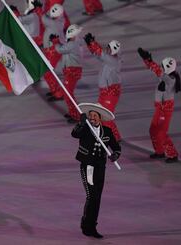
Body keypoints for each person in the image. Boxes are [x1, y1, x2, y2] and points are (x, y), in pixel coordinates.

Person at [71, 102, 121, 239]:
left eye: (94, 115)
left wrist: (116, 154)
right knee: (91, 196)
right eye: (90, 115)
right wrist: (81, 124)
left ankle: (92, 225)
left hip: (100, 168)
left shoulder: (108, 132)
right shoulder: (85, 129)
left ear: (100, 118)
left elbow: (116, 147)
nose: (92, 118)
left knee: (97, 198)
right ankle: (87, 225)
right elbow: (74, 134)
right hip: (88, 167)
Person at [137, 47, 181, 163]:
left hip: (165, 110)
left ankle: (173, 154)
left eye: (163, 65)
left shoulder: (170, 80)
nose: (161, 67)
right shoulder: (166, 77)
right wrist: (148, 61)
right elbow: (159, 72)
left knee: (161, 133)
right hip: (159, 109)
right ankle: (159, 151)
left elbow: (159, 72)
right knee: (153, 130)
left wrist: (149, 61)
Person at [84, 33, 123, 141]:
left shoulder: (113, 61)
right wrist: (90, 44)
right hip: (105, 92)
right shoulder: (110, 59)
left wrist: (92, 43)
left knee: (105, 116)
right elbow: (98, 54)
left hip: (110, 93)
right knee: (104, 115)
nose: (107, 49)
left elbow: (100, 54)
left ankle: (114, 138)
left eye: (109, 48)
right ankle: (115, 137)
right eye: (108, 47)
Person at [54, 24, 85, 123]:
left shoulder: (72, 44)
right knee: (68, 93)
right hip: (71, 71)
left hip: (72, 71)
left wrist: (55, 42)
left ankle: (76, 115)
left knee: (68, 94)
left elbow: (60, 50)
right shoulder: (74, 43)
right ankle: (73, 112)